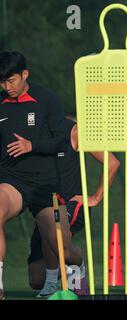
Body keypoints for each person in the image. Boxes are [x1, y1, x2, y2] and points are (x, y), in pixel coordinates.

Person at [0, 51, 83, 300]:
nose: (7, 87)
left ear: (25, 74)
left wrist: (32, 146)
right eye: (2, 82)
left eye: (11, 80)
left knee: (63, 249)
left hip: (46, 186)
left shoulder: (46, 99)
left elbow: (61, 141)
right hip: (12, 181)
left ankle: (78, 266)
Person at [27, 118, 120, 297]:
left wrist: (96, 198)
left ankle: (73, 267)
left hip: (72, 203)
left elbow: (113, 163)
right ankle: (58, 271)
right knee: (36, 280)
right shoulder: (26, 135)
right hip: (43, 204)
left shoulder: (75, 131)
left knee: (53, 227)